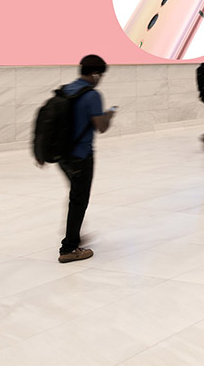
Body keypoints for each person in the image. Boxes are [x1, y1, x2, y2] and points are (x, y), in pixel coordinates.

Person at [54, 55, 116, 263]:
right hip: (81, 156)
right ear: (95, 74)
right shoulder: (92, 95)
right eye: (101, 75)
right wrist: (109, 115)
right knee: (79, 200)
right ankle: (69, 248)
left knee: (75, 197)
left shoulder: (67, 90)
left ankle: (75, 234)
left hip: (63, 155)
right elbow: (102, 127)